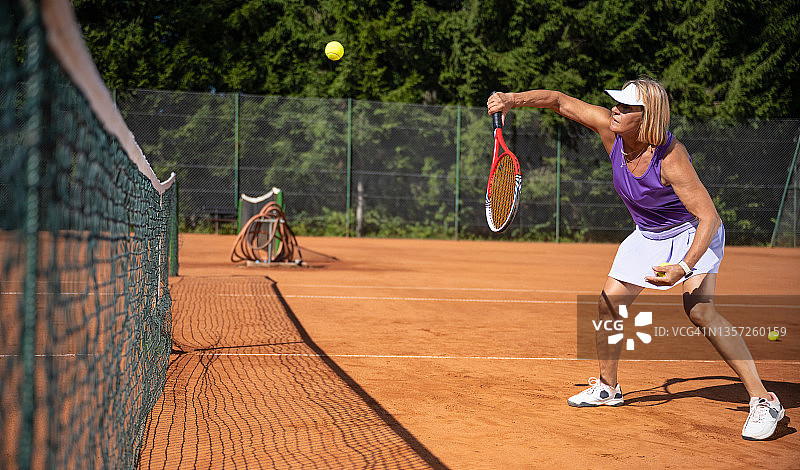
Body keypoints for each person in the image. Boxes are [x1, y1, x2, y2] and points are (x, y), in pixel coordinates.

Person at [487, 78, 785, 441]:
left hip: (692, 231)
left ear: (647, 117)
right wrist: (511, 99)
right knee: (609, 304)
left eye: (626, 107)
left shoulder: (671, 157)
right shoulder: (610, 131)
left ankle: (764, 400)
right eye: (617, 103)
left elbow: (709, 217)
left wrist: (683, 266)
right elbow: (559, 101)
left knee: (699, 310)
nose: (615, 110)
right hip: (648, 234)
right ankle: (608, 388)